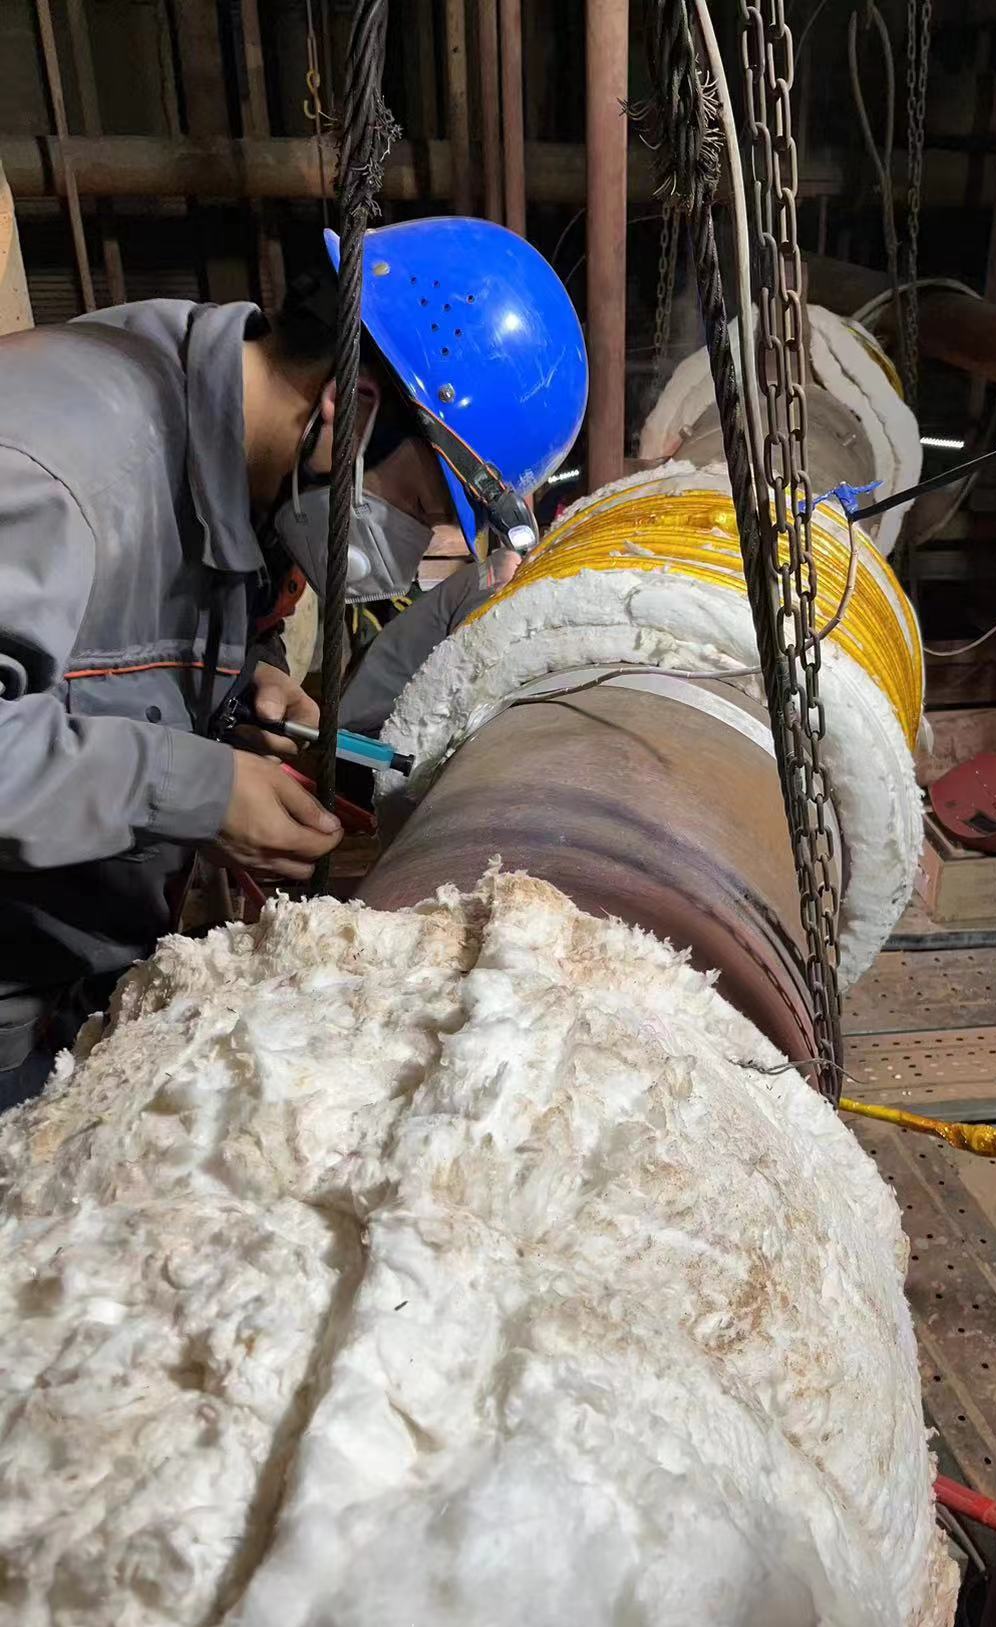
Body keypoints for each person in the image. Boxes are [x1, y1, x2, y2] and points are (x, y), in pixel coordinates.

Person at [0, 216, 588, 1110]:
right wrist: (198, 791)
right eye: (424, 506)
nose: (415, 546)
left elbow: (142, 633)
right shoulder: (51, 470)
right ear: (353, 408)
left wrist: (247, 686)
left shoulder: (246, 458)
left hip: (72, 970)